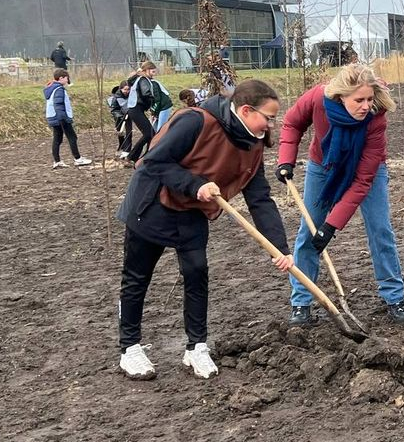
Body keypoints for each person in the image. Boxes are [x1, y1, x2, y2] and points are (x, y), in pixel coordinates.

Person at [115, 79, 294, 381]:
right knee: (136, 278)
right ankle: (129, 348)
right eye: (269, 117)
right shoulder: (195, 122)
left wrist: (280, 248)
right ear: (247, 110)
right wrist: (195, 185)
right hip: (151, 206)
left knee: (197, 272)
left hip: (192, 212)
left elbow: (260, 198)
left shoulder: (253, 143)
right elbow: (152, 162)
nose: (272, 125)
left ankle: (196, 346)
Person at [276, 64, 404, 326]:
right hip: (323, 166)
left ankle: (394, 297)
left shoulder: (376, 118)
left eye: (369, 99)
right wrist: (286, 161)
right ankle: (301, 302)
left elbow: (362, 181)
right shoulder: (317, 98)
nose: (366, 106)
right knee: (309, 231)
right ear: (341, 97)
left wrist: (332, 226)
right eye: (359, 100)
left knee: (380, 229)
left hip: (367, 170)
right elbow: (292, 123)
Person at [44, 69, 92, 169]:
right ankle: (78, 159)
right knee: (72, 137)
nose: (67, 80)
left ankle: (57, 161)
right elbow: (59, 104)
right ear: (61, 78)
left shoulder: (51, 88)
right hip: (60, 118)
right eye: (66, 78)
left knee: (57, 139)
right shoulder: (59, 89)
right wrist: (64, 119)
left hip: (53, 117)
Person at [126, 61, 160, 164]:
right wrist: (153, 101)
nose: (154, 74)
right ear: (146, 71)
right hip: (136, 109)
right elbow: (146, 94)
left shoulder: (138, 79)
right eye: (153, 72)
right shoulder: (144, 80)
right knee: (149, 134)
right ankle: (134, 157)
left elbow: (129, 81)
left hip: (134, 109)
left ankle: (143, 157)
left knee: (150, 134)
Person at [108, 80, 133, 158]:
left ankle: (127, 150)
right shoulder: (117, 96)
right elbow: (115, 109)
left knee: (129, 132)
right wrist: (121, 116)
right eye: (125, 89)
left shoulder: (131, 95)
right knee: (120, 132)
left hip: (128, 114)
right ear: (121, 89)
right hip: (118, 115)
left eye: (128, 89)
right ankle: (121, 146)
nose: (127, 91)